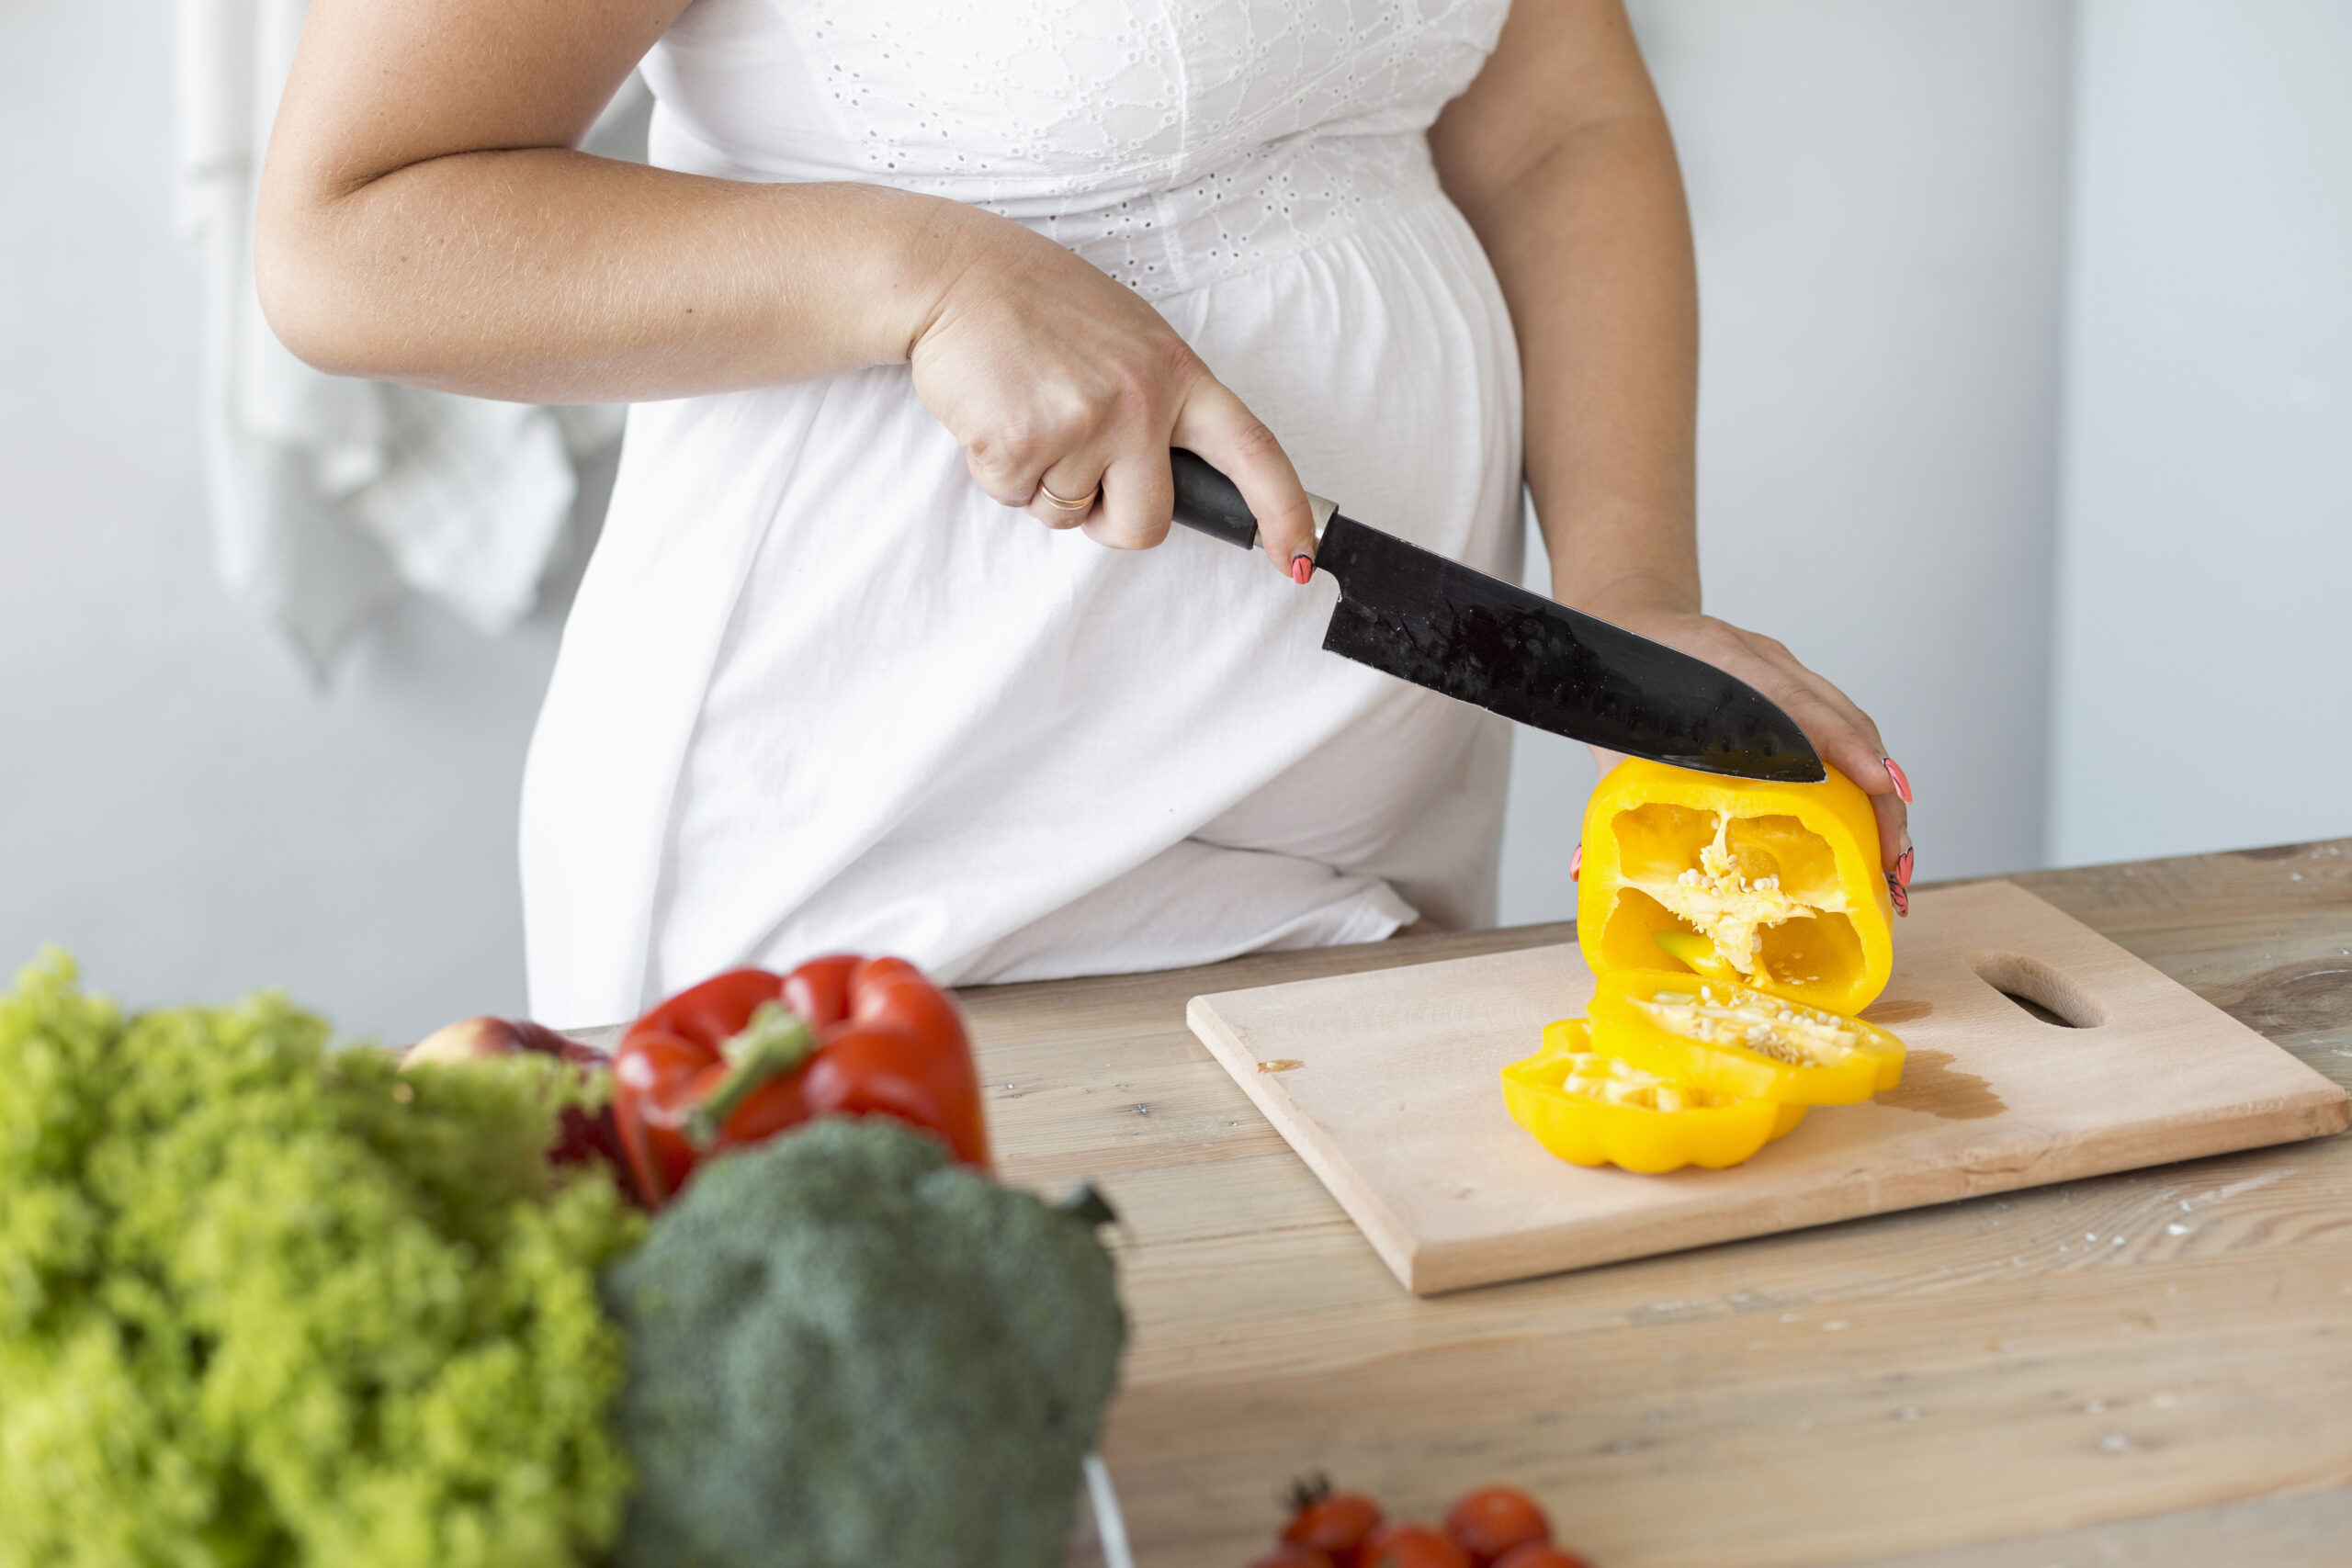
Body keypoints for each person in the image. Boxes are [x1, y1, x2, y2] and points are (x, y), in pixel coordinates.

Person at [257, 0, 1912, 1027]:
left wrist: (1629, 594)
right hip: (895, 837)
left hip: (1373, 804)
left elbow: (1559, 118)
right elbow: (351, 232)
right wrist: (915, 276)